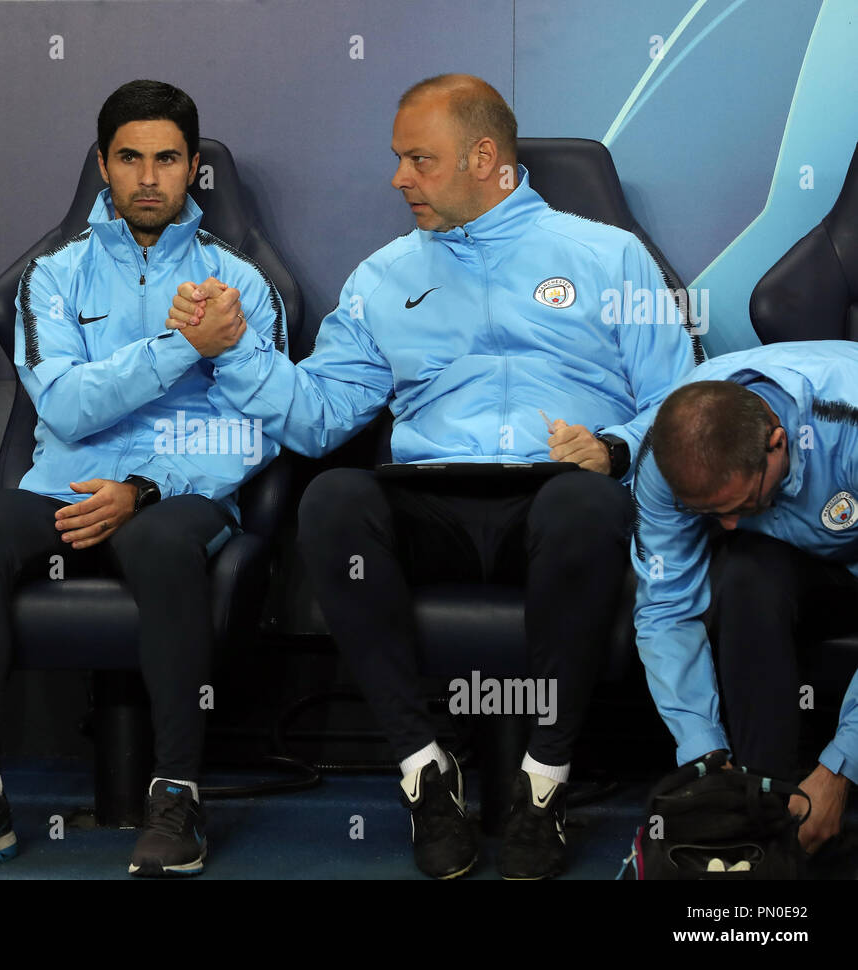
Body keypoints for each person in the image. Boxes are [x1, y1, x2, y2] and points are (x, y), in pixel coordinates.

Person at [166, 74, 699, 879]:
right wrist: (233, 352)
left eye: (420, 159)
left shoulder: (609, 255)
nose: (398, 178)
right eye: (398, 158)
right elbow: (316, 416)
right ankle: (424, 768)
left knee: (584, 506)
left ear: (485, 158)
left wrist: (614, 447)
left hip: (559, 497)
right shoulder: (382, 276)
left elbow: (683, 400)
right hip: (434, 505)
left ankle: (545, 784)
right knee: (335, 497)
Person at [0, 79, 287, 876]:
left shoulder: (242, 285)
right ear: (102, 165)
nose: (147, 177)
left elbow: (253, 427)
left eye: (166, 159)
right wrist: (185, 345)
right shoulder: (50, 277)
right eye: (129, 158)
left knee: (159, 544)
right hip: (63, 485)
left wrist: (146, 486)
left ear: (194, 168)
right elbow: (65, 405)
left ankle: (178, 798)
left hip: (180, 498)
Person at [632, 340, 858, 856]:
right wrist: (703, 752)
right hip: (792, 566)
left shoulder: (848, 426)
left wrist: (840, 768)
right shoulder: (661, 458)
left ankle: (819, 801)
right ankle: (764, 811)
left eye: (739, 503)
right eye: (708, 513)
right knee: (741, 570)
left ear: (778, 442)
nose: (727, 522)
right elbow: (666, 606)